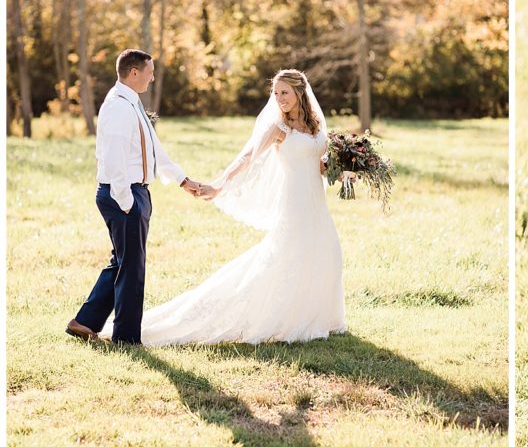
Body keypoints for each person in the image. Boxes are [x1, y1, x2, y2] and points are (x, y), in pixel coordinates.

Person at [98, 69, 347, 345]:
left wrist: (345, 168)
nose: (279, 99)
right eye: (275, 94)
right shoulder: (279, 127)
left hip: (316, 202)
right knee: (289, 256)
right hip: (294, 203)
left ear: (300, 92)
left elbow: (320, 166)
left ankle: (320, 315)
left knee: (326, 252)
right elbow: (247, 158)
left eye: (284, 93)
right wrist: (219, 185)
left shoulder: (315, 126)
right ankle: (284, 318)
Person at [67, 49, 203, 345]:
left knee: (123, 261)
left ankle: (85, 321)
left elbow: (154, 149)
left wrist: (183, 180)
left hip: (134, 192)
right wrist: (127, 201)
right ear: (134, 73)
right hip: (123, 194)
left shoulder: (132, 103)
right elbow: (114, 159)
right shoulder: (118, 107)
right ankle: (126, 338)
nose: (153, 77)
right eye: (150, 72)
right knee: (132, 267)